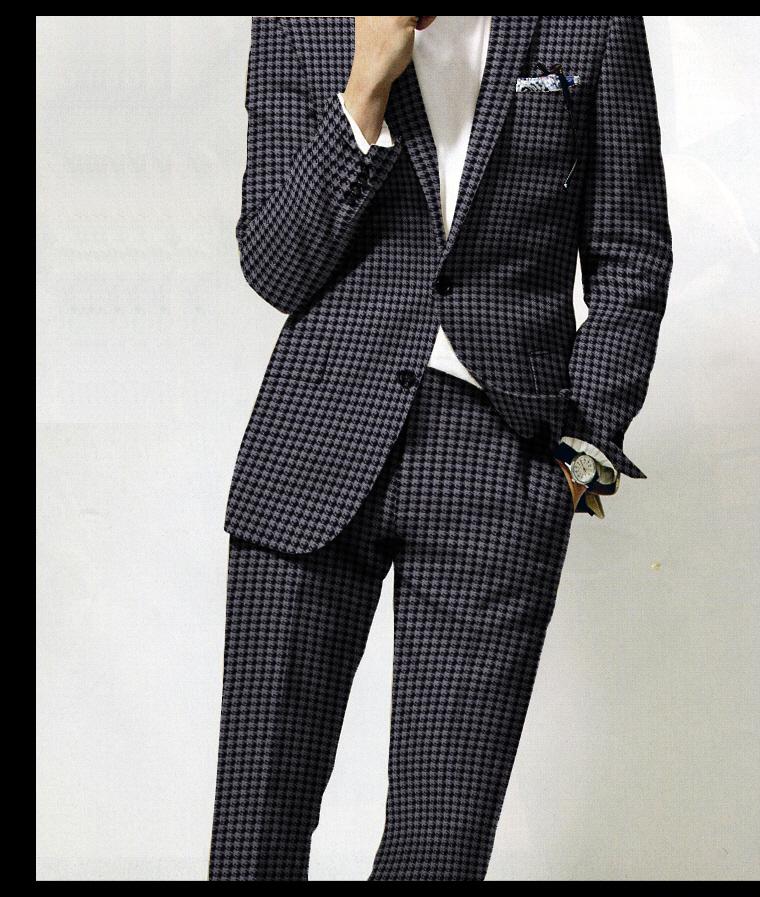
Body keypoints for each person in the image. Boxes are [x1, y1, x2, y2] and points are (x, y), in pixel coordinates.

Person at [209, 15, 672, 881]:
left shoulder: (595, 24)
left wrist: (580, 456)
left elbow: (631, 254)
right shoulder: (299, 22)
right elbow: (274, 265)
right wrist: (365, 89)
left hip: (500, 462)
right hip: (314, 442)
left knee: (440, 847)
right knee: (255, 832)